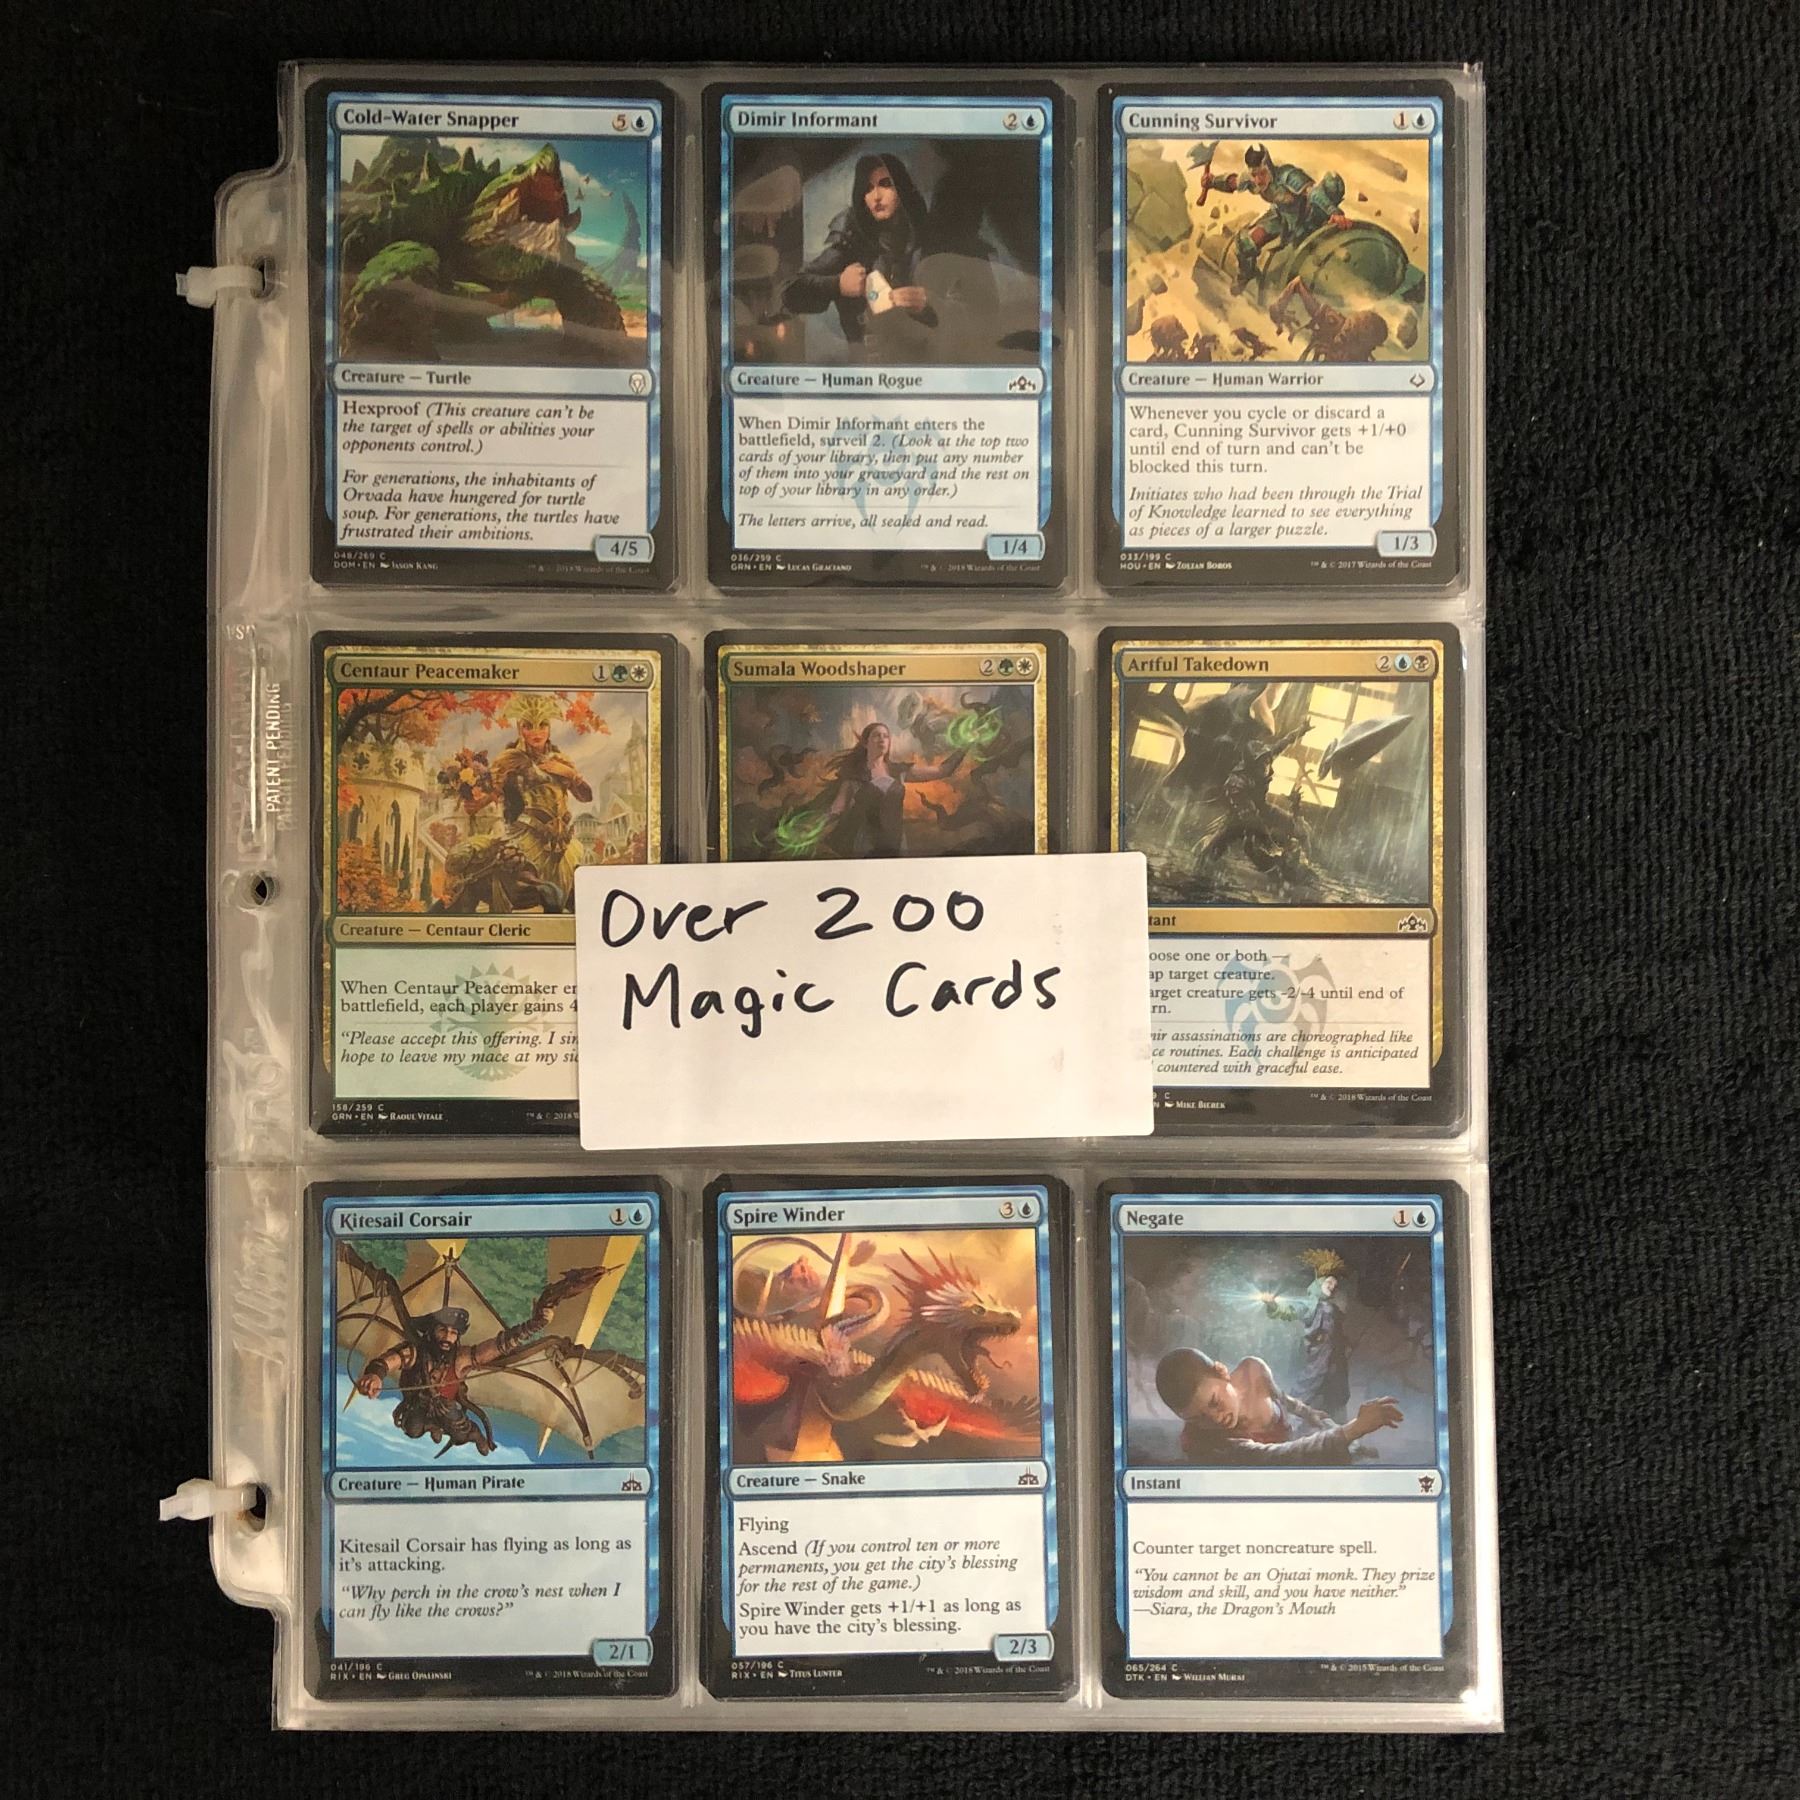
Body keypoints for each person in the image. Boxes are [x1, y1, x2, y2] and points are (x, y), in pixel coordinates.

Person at [437, 692, 593, 913]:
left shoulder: (561, 761)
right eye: (529, 726)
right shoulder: (510, 759)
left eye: (542, 725)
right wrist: (475, 801)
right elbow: (493, 790)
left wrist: (570, 774)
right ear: (520, 729)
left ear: (549, 729)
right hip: (527, 834)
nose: (537, 732)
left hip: (563, 842)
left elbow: (586, 796)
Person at [353, 1300, 555, 1455]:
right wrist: (375, 1375)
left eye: (453, 1333)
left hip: (447, 1407)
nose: (448, 1337)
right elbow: (388, 1361)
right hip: (416, 1406)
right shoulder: (414, 1352)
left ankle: (475, 1435)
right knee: (412, 1430)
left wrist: (535, 1324)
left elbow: (500, 1345)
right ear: (431, 1332)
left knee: (461, 1433)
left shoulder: (461, 1358)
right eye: (442, 1330)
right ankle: (433, 1425)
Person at [782, 154, 938, 349]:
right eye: (868, 188)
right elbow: (791, 291)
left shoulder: (929, 237)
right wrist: (837, 284)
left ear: (902, 187)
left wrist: (928, 305)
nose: (876, 196)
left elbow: (967, 311)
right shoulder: (852, 241)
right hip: (866, 359)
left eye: (886, 184)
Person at [1153, 1345, 1401, 1465]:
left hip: (1291, 1435)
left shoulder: (1253, 1369)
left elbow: (1284, 1399)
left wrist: (1313, 1415)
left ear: (1221, 1372)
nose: (1215, 1419)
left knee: (1323, 1422)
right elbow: (1281, 1456)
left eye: (1214, 1403)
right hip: (1277, 1463)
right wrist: (1354, 1428)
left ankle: (1356, 1448)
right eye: (1198, 1418)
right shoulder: (1206, 1442)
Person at [1199, 143, 1350, 295]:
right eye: (1254, 175)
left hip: (1305, 219)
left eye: (1262, 174)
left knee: (1308, 262)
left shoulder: (1288, 176)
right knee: (1245, 244)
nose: (1258, 180)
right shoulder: (1250, 179)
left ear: (1269, 168)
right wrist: (1212, 182)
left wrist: (1334, 211)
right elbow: (1233, 183)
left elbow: (1313, 193)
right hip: (1280, 216)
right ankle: (1246, 274)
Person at [819, 721, 964, 857]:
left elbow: (943, 770)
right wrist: (814, 827)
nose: (882, 739)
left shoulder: (898, 771)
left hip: (896, 843)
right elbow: (837, 808)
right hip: (864, 845)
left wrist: (966, 745)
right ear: (865, 743)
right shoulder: (855, 776)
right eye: (876, 735)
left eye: (886, 736)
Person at [1263, 1266, 1351, 1420]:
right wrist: (1273, 1305)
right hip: (1318, 1357)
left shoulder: (1334, 1308)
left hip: (1336, 1360)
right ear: (1319, 1283)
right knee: (1307, 1386)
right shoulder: (1309, 1305)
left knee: (1336, 1393)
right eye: (1329, 1282)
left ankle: (1337, 1424)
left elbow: (1337, 1331)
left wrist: (1345, 1343)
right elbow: (1289, 1311)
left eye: (1335, 1285)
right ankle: (1285, 1418)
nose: (1332, 1287)